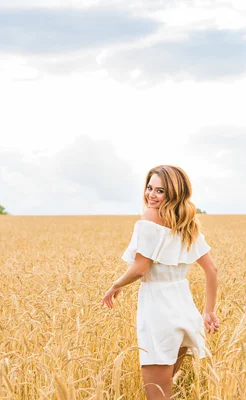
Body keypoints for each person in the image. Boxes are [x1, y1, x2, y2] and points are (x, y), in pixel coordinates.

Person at [101, 165, 220, 399]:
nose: (151, 195)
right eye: (149, 188)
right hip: (184, 308)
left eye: (160, 191)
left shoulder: (149, 218)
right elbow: (212, 270)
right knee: (166, 390)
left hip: (158, 311)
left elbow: (139, 268)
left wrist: (115, 286)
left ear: (174, 193)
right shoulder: (188, 223)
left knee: (157, 395)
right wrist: (208, 312)